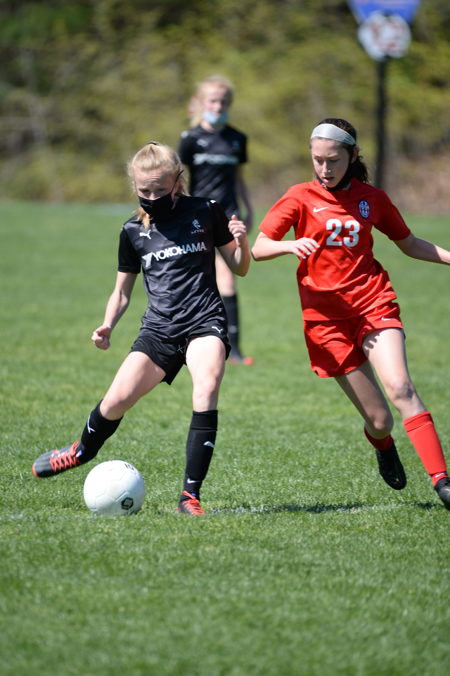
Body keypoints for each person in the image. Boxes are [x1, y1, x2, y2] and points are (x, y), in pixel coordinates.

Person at [32, 141, 250, 516]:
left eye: (159, 190)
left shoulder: (206, 210)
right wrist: (107, 324)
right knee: (114, 402)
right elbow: (122, 291)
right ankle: (81, 451)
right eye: (143, 190)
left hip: (204, 320)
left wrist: (242, 242)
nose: (151, 198)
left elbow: (240, 267)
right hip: (159, 329)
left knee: (207, 387)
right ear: (134, 184)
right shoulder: (132, 230)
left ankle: (190, 496)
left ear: (177, 180)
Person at [251, 117, 450, 510]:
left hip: (373, 303)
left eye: (334, 160)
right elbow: (259, 247)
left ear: (353, 155)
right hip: (325, 322)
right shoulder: (299, 196)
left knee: (401, 387)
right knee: (380, 420)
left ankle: (442, 481)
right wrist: (289, 246)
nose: (325, 168)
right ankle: (383, 444)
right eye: (318, 160)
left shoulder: (372, 198)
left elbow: (409, 243)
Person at [178, 74, 254, 365]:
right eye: (212, 101)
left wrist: (248, 208)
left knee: (228, 280)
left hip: (228, 217)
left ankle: (234, 349)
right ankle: (187, 342)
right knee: (194, 279)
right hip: (197, 217)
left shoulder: (237, 139)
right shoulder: (190, 139)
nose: (218, 106)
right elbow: (180, 179)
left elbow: (239, 179)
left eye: (223, 101)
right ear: (201, 102)